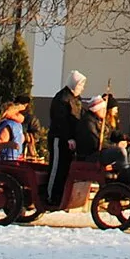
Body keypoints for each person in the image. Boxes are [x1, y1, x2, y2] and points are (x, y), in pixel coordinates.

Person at [45, 70, 87, 210]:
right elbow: (60, 121)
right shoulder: (62, 99)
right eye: (81, 85)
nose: (82, 88)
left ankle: (61, 196)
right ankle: (50, 196)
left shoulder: (76, 99)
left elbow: (79, 117)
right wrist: (68, 137)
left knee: (65, 169)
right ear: (74, 84)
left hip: (71, 141)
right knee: (57, 168)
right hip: (59, 139)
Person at [0, 101, 27, 169]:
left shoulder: (7, 125)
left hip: (4, 161)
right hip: (16, 160)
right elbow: (21, 139)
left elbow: (0, 144)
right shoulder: (19, 125)